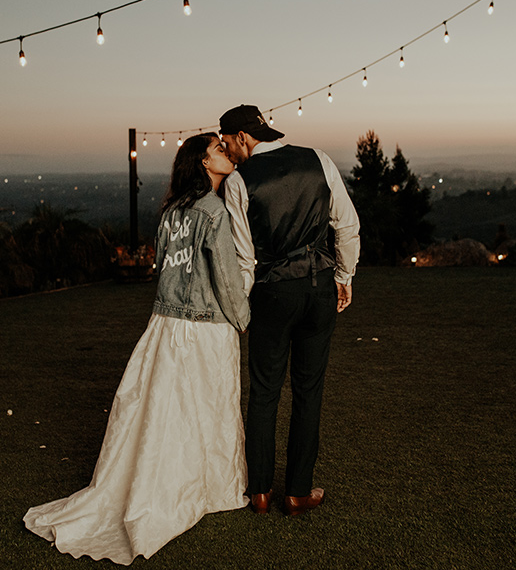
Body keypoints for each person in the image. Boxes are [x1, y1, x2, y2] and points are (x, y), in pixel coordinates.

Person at [23, 133, 250, 564]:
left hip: (164, 324)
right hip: (206, 327)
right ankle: (213, 487)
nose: (229, 154)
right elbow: (225, 276)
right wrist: (242, 317)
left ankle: (169, 481)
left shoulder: (170, 213)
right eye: (220, 150)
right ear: (204, 163)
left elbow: (165, 266)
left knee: (164, 410)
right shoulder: (214, 211)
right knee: (210, 405)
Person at [219, 104, 360, 517]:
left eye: (228, 142)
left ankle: (259, 491)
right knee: (308, 391)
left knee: (263, 392)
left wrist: (241, 308)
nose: (228, 151)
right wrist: (344, 275)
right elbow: (346, 225)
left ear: (243, 137)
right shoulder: (319, 159)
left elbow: (245, 260)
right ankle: (298, 492)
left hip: (272, 294)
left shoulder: (238, 182)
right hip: (319, 288)